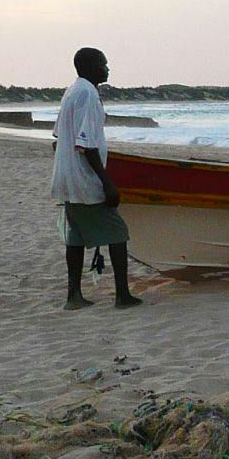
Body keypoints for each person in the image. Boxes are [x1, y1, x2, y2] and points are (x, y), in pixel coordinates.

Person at [51, 48, 139, 309]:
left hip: (67, 178)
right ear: (90, 67)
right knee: (118, 233)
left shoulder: (72, 91)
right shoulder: (88, 94)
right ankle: (122, 296)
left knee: (75, 238)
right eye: (103, 64)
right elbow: (86, 145)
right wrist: (107, 182)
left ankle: (73, 296)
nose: (107, 69)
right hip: (84, 179)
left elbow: (58, 140)